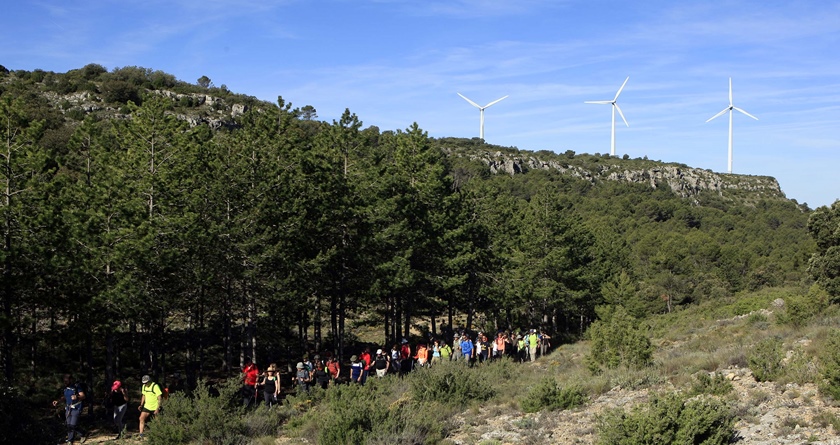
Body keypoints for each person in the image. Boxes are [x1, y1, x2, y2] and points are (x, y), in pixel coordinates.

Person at [53, 374, 87, 444]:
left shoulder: (76, 386)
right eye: (64, 380)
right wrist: (58, 401)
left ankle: (83, 433)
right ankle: (70, 440)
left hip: (76, 407)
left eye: (66, 380)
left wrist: (77, 397)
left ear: (70, 380)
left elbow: (83, 396)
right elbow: (65, 397)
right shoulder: (65, 388)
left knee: (73, 425)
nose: (65, 382)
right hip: (68, 408)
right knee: (69, 425)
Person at [138, 375, 163, 439]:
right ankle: (141, 434)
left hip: (155, 406)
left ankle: (159, 434)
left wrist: (158, 408)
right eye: (144, 383)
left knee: (157, 421)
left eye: (146, 382)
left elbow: (159, 398)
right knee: (141, 418)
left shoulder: (155, 386)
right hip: (147, 406)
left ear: (150, 381)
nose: (145, 384)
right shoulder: (144, 386)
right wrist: (141, 404)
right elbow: (144, 395)